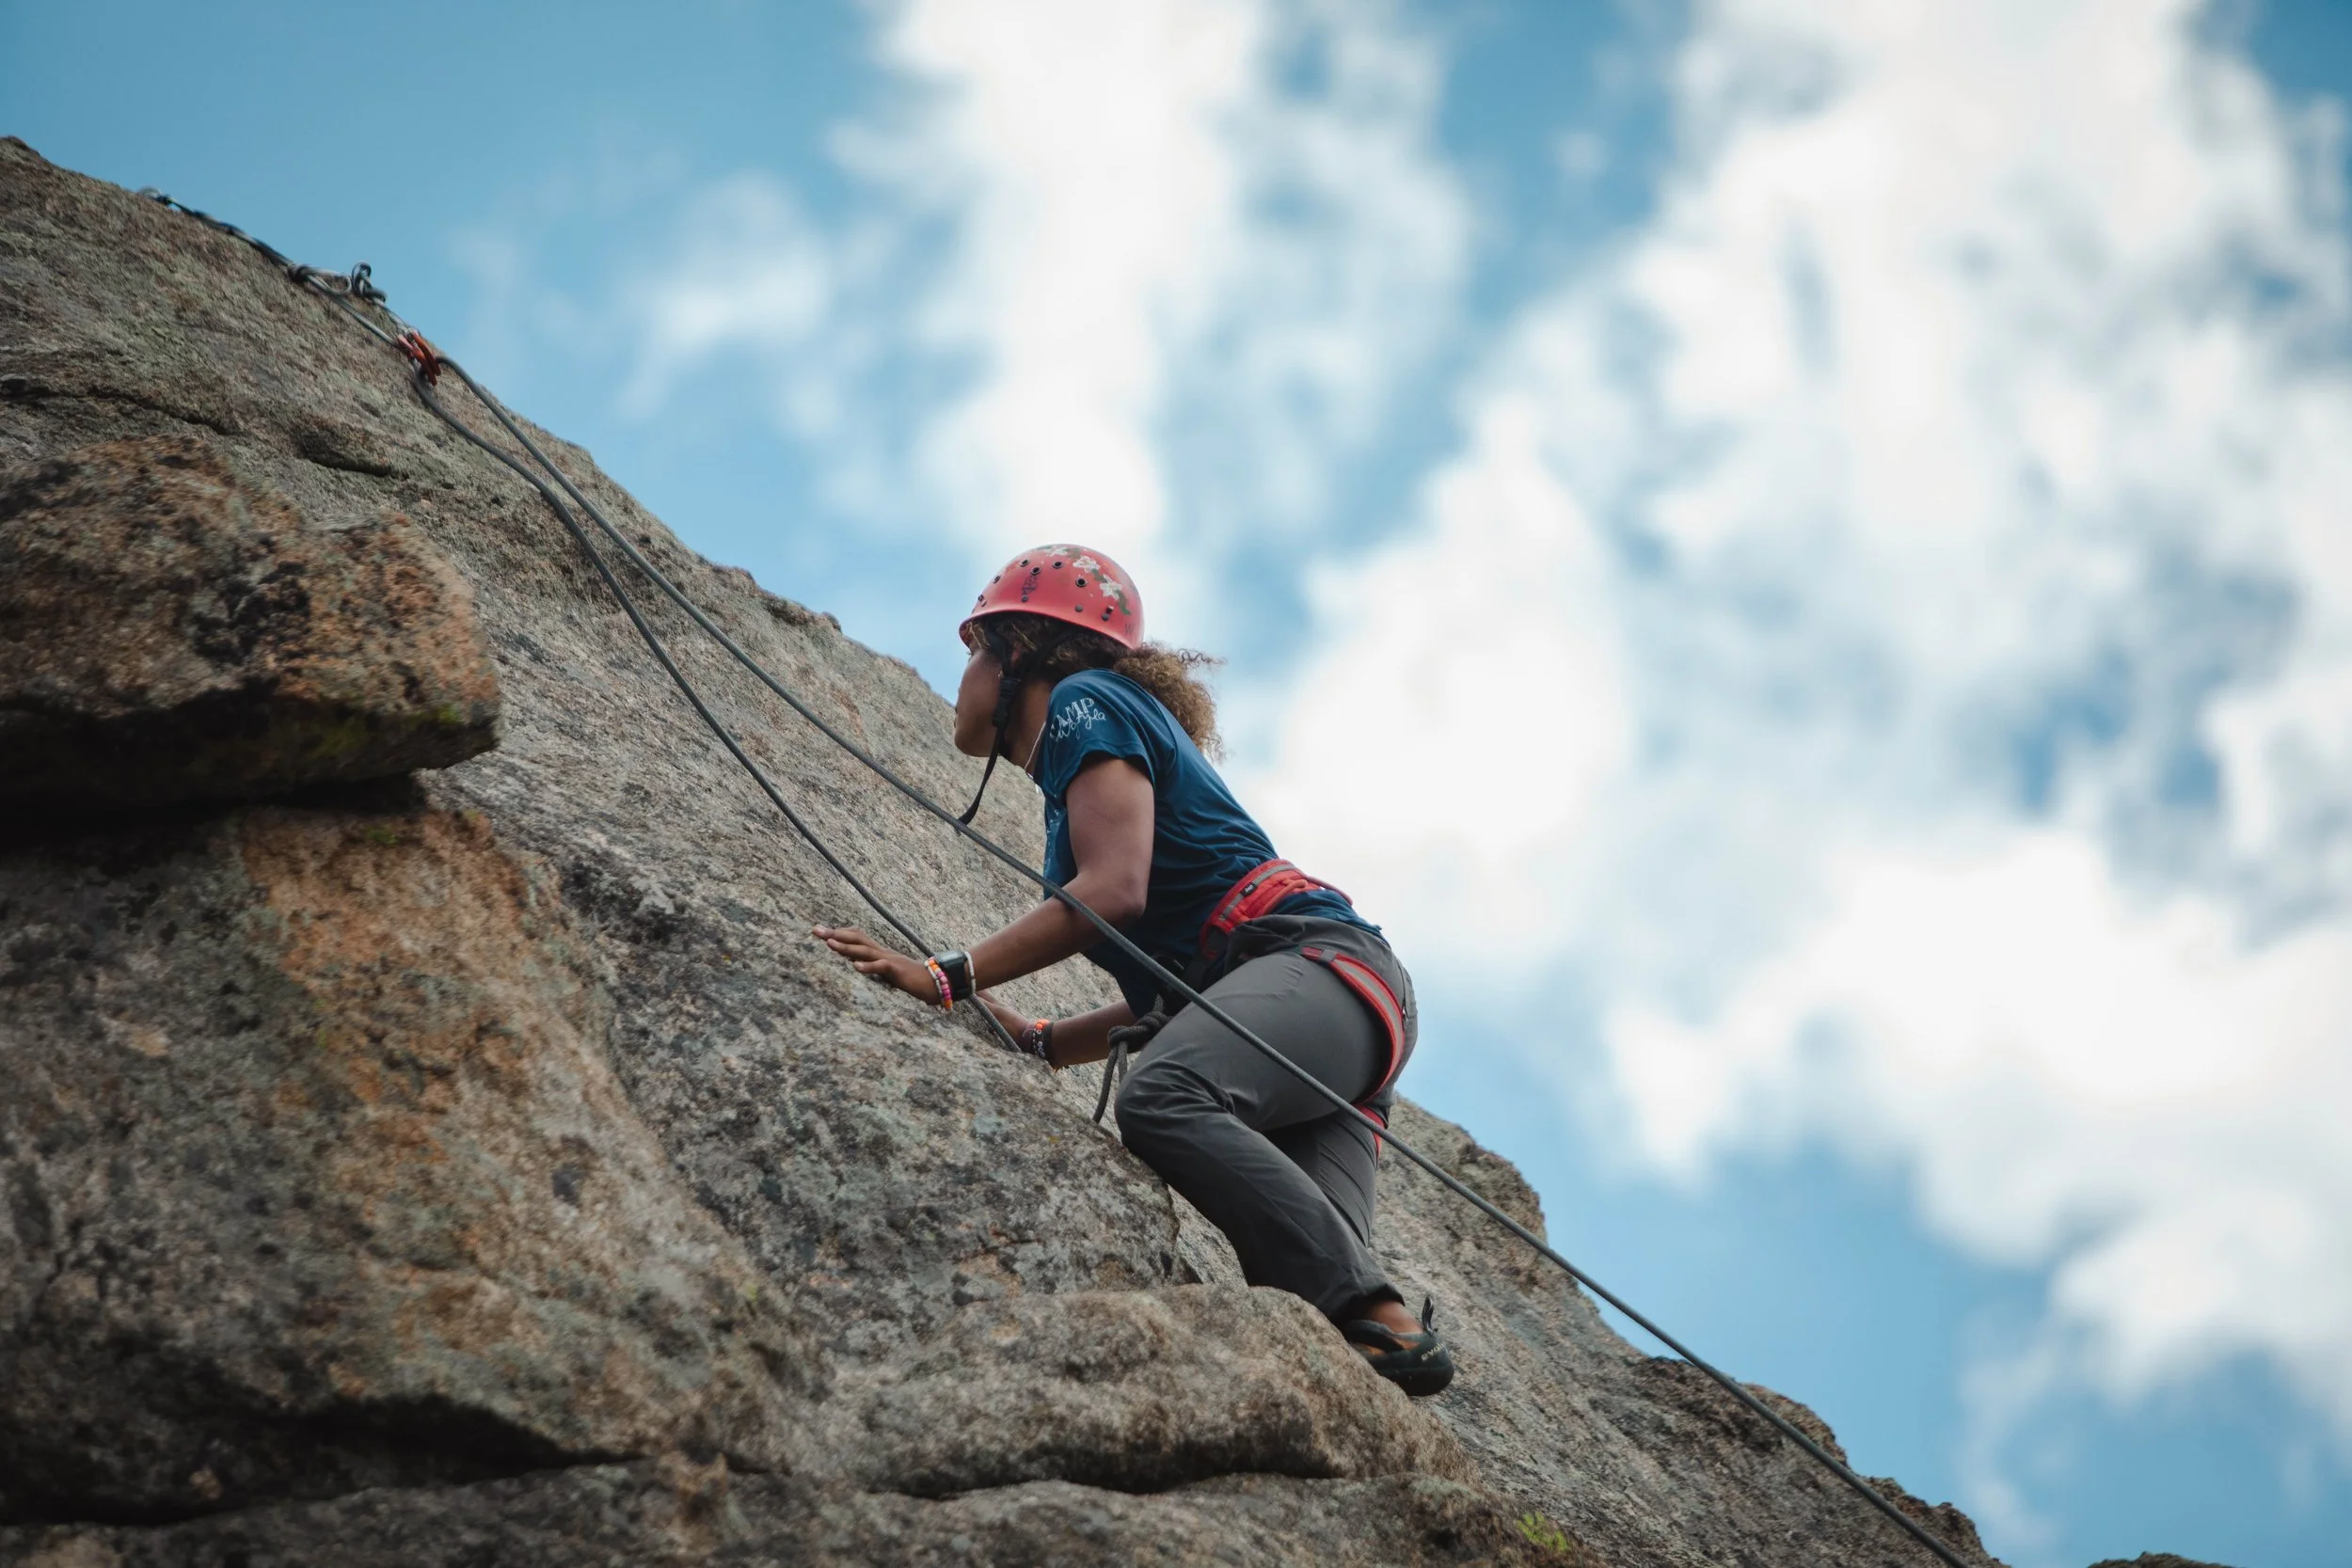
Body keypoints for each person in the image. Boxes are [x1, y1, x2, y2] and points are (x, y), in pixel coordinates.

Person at [814, 544, 1454, 1396]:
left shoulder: (1084, 702)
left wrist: (945, 976)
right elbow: (1172, 1006)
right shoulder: (1081, 785)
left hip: (1314, 965)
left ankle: (1379, 1317)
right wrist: (1040, 1041)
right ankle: (1387, 1341)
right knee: (1323, 1306)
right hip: (1337, 1009)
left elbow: (1112, 890)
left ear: (1021, 655)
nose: (962, 671)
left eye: (975, 648)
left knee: (1162, 1098)